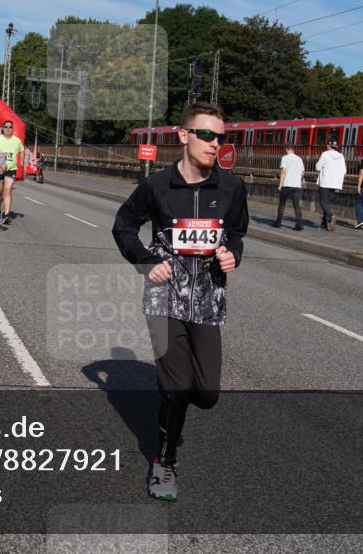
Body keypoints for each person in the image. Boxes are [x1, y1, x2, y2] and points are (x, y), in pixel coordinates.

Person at [112, 102, 248, 502]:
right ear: (184, 136)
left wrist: (231, 255)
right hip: (164, 297)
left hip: (208, 300)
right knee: (177, 387)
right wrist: (145, 261)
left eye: (220, 136)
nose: (215, 143)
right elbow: (123, 227)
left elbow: (236, 232)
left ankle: (176, 406)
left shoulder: (231, 187)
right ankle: (163, 460)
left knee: (206, 393)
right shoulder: (156, 186)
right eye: (206, 134)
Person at [0, 120, 24, 225]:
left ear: (13, 129)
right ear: (2, 128)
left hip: (11, 169)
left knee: (8, 190)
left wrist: (21, 161)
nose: (8, 128)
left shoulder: (17, 141)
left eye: (10, 127)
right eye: (6, 126)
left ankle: (6, 215)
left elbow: (22, 150)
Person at [315, 140, 347, 231]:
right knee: (327, 203)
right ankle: (324, 224)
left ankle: (331, 216)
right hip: (335, 183)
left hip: (325, 182)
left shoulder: (325, 154)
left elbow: (317, 167)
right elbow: (344, 171)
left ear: (329, 145)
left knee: (322, 202)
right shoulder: (341, 156)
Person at [272, 144, 304, 231]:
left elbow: (283, 172)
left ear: (286, 149)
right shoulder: (299, 159)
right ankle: (299, 225)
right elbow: (302, 173)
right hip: (297, 186)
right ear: (293, 149)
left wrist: (280, 184)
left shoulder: (285, 158)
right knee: (296, 205)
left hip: (287, 185)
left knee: (282, 204)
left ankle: (278, 223)